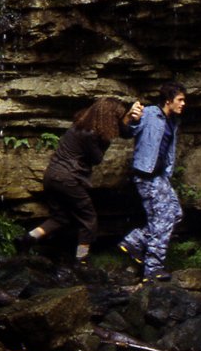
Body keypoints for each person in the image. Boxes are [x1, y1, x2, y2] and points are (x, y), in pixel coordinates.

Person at [15, 97, 144, 265]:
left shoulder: (82, 124)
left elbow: (124, 132)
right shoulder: (90, 134)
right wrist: (123, 123)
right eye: (116, 118)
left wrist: (130, 118)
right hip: (68, 179)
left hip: (52, 177)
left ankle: (28, 239)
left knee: (61, 217)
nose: (117, 122)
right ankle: (82, 258)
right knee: (88, 218)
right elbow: (97, 158)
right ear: (108, 118)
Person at [118, 81, 186, 282]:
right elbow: (126, 132)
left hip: (160, 176)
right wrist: (130, 118)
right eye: (180, 100)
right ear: (168, 101)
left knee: (175, 214)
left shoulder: (173, 121)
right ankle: (153, 268)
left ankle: (134, 241)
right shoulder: (148, 113)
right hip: (146, 175)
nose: (183, 104)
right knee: (163, 219)